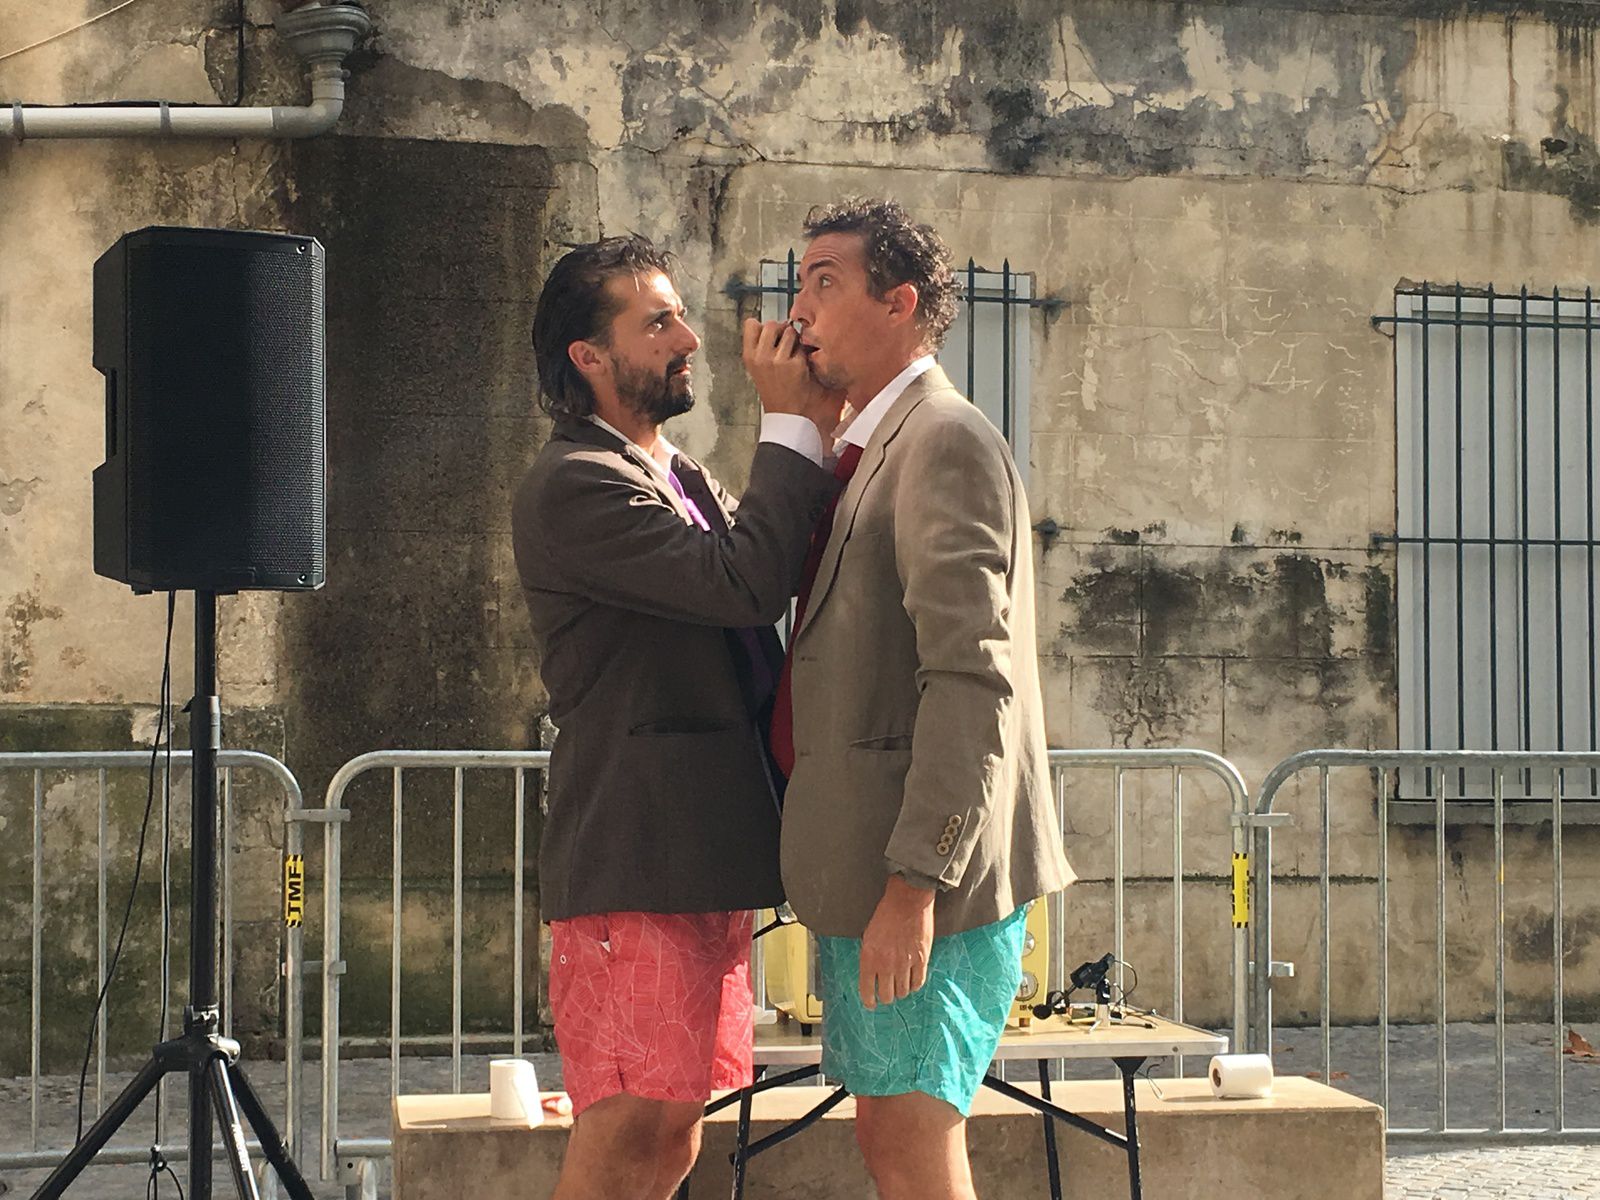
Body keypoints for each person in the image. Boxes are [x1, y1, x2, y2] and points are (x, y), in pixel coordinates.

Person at [753, 199, 1075, 1200]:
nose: (797, 310)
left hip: (924, 885)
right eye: (798, 282)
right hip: (872, 874)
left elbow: (972, 677)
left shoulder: (941, 440)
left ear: (899, 304)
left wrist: (914, 885)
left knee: (911, 1149)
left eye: (825, 283)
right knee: (894, 1143)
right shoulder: (869, 448)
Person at [512, 234, 840, 1200]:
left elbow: (775, 554)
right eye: (657, 323)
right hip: (634, 853)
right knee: (626, 1124)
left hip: (696, 855)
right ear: (589, 355)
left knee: (675, 1131)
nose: (690, 339)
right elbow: (743, 582)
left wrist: (824, 427)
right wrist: (789, 425)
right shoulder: (577, 482)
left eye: (680, 316)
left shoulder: (671, 469)